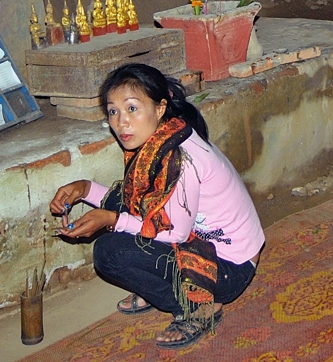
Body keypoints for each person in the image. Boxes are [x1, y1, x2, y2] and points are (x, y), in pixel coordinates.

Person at [50, 63, 264, 349]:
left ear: (160, 108)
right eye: (113, 111)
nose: (121, 122)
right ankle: (159, 286)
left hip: (229, 268)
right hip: (204, 247)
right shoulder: (164, 138)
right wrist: (84, 189)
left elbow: (174, 234)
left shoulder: (180, 157)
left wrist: (113, 220)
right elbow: (133, 200)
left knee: (109, 252)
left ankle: (196, 306)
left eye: (132, 109)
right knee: (124, 202)